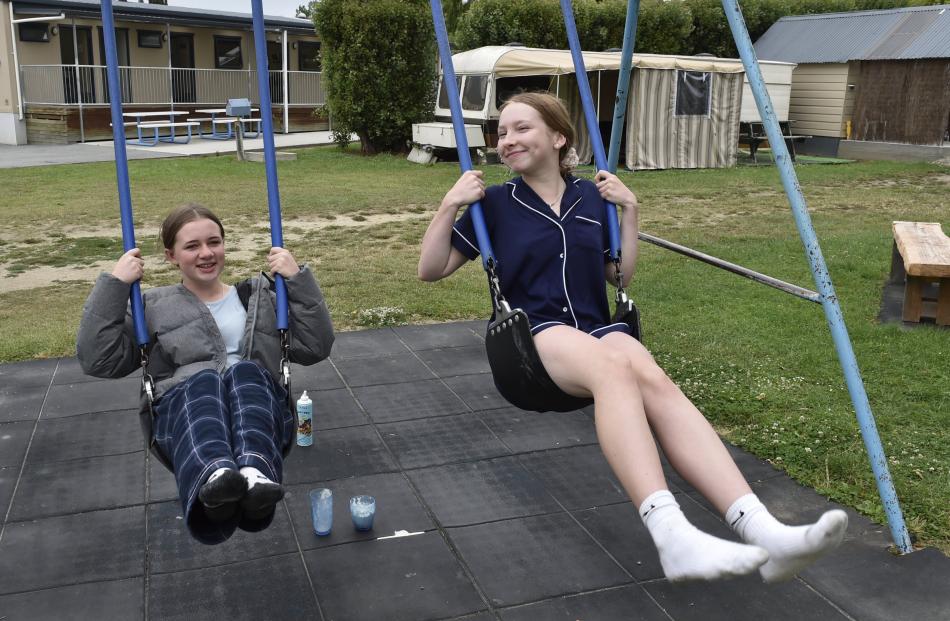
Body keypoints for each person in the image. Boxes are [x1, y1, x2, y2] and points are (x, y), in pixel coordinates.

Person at [418, 92, 847, 582]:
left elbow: (618, 279)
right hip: (533, 338)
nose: (507, 140)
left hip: (595, 326)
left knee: (652, 376)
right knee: (613, 366)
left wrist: (630, 212)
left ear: (559, 137)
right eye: (502, 133)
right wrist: (450, 204)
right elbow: (430, 270)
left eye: (522, 128)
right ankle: (671, 534)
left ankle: (765, 532)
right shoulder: (493, 203)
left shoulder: (592, 198)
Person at [77, 204, 334, 544]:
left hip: (256, 404)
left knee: (244, 372)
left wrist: (298, 281)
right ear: (171, 255)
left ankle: (253, 476)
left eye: (214, 242)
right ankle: (216, 480)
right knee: (204, 379)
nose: (206, 253)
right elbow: (99, 360)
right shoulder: (151, 307)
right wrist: (115, 285)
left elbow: (315, 347)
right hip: (187, 412)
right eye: (192, 246)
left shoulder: (261, 297)